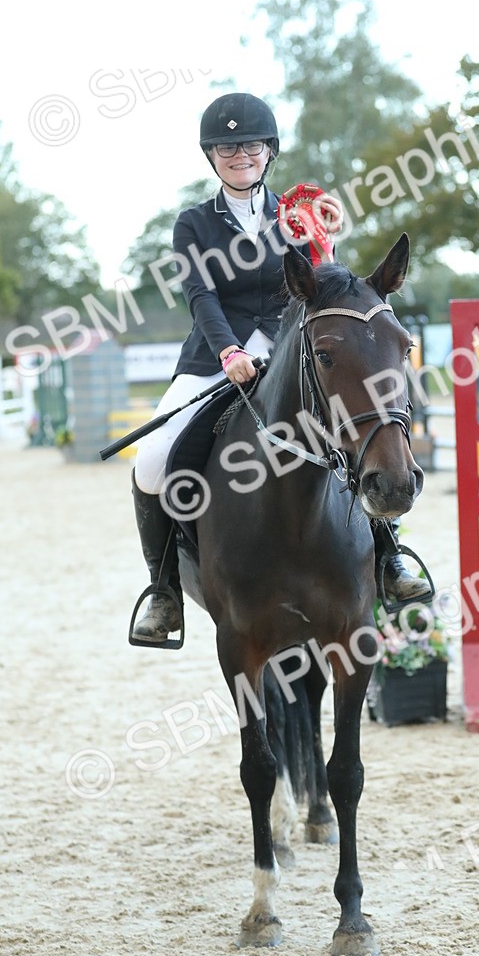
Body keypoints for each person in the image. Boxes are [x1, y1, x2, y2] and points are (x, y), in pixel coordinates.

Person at [130, 91, 430, 645]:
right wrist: (229, 352)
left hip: (292, 354)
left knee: (355, 433)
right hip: (214, 357)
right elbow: (202, 297)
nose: (238, 154)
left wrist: (288, 323)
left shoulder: (297, 215)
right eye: (225, 147)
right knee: (151, 461)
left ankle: (389, 558)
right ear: (211, 156)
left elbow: (323, 290)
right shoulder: (192, 223)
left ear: (269, 151)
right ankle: (165, 592)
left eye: (249, 145)